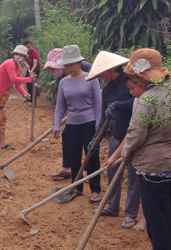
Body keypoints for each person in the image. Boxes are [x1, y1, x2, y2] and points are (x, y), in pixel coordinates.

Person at [117, 48, 171, 250]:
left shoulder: (147, 99)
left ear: (140, 76)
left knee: (157, 220)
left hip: (154, 169)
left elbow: (135, 134)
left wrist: (126, 156)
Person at [85, 51, 140, 229]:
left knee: (132, 175)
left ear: (110, 71)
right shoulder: (107, 88)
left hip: (133, 135)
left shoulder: (130, 81)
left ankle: (131, 214)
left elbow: (139, 102)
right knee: (111, 170)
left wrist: (118, 105)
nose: (101, 77)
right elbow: (103, 116)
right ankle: (113, 206)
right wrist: (96, 138)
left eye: (102, 73)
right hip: (116, 136)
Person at [53, 45, 102, 204]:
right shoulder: (63, 83)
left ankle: (95, 189)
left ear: (79, 63)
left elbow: (98, 103)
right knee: (74, 156)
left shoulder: (91, 78)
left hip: (90, 123)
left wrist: (98, 124)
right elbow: (60, 106)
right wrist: (56, 125)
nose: (69, 68)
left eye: (71, 65)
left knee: (92, 155)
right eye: (66, 66)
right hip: (72, 123)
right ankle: (77, 187)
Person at [43, 48, 96, 180]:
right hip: (74, 116)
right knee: (68, 137)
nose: (68, 68)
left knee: (90, 146)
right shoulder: (62, 80)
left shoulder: (88, 70)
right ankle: (69, 169)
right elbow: (60, 103)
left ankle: (89, 172)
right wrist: (56, 122)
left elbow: (95, 92)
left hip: (89, 115)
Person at [0, 45, 35, 152]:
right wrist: (29, 79)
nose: (20, 57)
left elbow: (16, 83)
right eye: (19, 55)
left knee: (2, 118)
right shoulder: (9, 63)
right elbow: (14, 78)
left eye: (23, 56)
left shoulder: (18, 68)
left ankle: (2, 143)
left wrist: (24, 93)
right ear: (15, 54)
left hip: (2, 96)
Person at [23, 40, 41, 104]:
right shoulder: (24, 52)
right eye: (26, 47)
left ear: (31, 46)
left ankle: (33, 102)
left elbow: (35, 64)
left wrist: (32, 71)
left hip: (35, 70)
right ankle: (29, 98)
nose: (28, 49)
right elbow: (22, 60)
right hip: (29, 69)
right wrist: (26, 64)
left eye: (29, 47)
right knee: (27, 83)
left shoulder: (34, 52)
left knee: (33, 85)